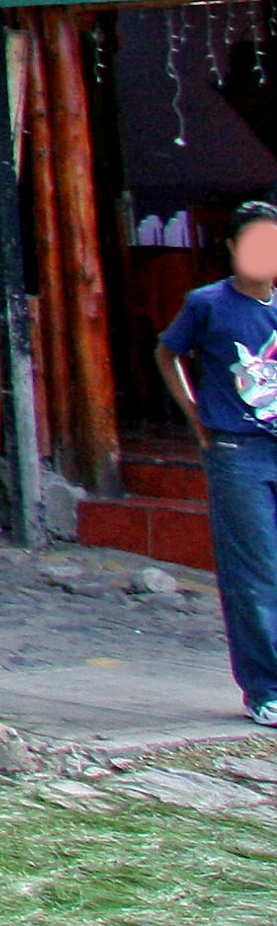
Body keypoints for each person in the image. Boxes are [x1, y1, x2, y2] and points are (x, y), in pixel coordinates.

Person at [155, 198, 277, 726]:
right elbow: (168, 353)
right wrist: (196, 416)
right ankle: (266, 689)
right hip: (237, 450)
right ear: (231, 248)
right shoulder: (209, 303)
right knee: (256, 570)